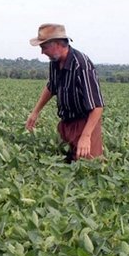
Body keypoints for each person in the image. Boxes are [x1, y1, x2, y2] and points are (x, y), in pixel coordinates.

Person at [25, 23, 104, 162]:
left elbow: (97, 106)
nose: (42, 52)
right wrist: (35, 112)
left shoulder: (81, 65)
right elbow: (51, 87)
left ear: (57, 44)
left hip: (85, 123)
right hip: (66, 123)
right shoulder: (55, 62)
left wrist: (86, 137)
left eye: (44, 47)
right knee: (63, 162)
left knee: (89, 166)